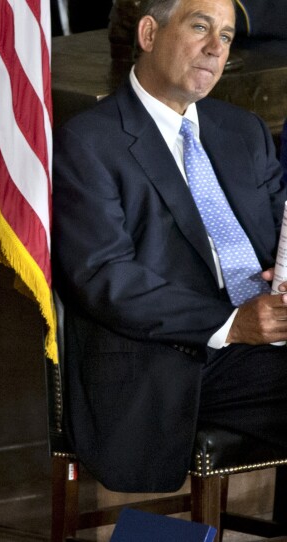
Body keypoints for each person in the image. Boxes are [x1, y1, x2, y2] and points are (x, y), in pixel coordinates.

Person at [53, 0, 287, 492]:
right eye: (200, 27)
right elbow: (105, 278)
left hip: (264, 345)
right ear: (148, 33)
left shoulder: (242, 132)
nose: (214, 49)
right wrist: (231, 324)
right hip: (166, 361)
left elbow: (279, 231)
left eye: (225, 37)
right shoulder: (88, 142)